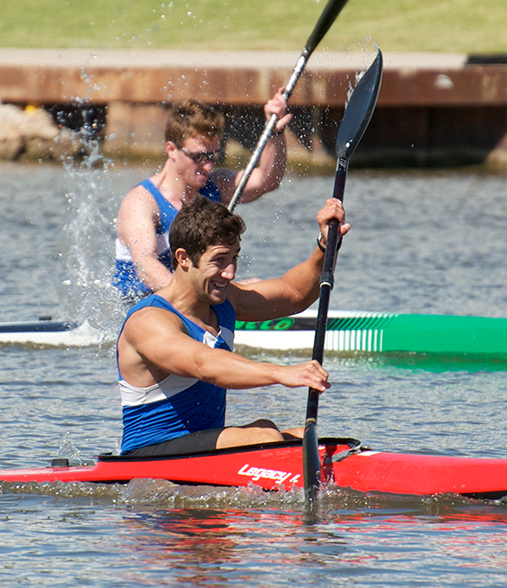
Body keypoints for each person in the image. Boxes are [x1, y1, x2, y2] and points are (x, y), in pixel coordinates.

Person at [115, 194, 348, 456]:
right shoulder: (148, 321)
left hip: (202, 448)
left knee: (300, 437)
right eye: (219, 260)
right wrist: (281, 373)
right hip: (148, 455)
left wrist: (326, 245)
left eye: (234, 258)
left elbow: (294, 293)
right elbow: (204, 364)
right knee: (266, 436)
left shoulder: (225, 300)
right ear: (183, 258)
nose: (231, 272)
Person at [112, 94, 292, 302]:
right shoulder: (141, 202)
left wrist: (275, 132)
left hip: (192, 299)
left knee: (256, 285)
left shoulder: (214, 186)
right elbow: (145, 264)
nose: (207, 166)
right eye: (198, 157)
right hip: (141, 304)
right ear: (171, 149)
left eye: (213, 156)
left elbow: (265, 181)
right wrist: (201, 296)